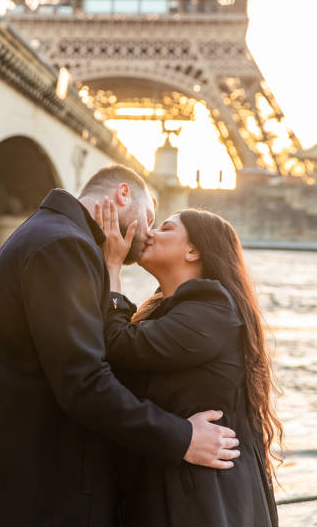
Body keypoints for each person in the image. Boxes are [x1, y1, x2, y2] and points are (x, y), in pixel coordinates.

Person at [0, 165, 239, 527]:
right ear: (122, 195)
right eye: (149, 217)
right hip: (38, 497)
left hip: (16, 489)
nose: (148, 232)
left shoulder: (46, 235)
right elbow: (84, 383)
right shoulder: (65, 246)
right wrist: (182, 437)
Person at [96, 199, 282, 527]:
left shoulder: (211, 310)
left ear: (193, 251)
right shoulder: (170, 313)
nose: (150, 233)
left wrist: (112, 267)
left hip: (203, 501)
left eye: (166, 228)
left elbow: (118, 345)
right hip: (187, 491)